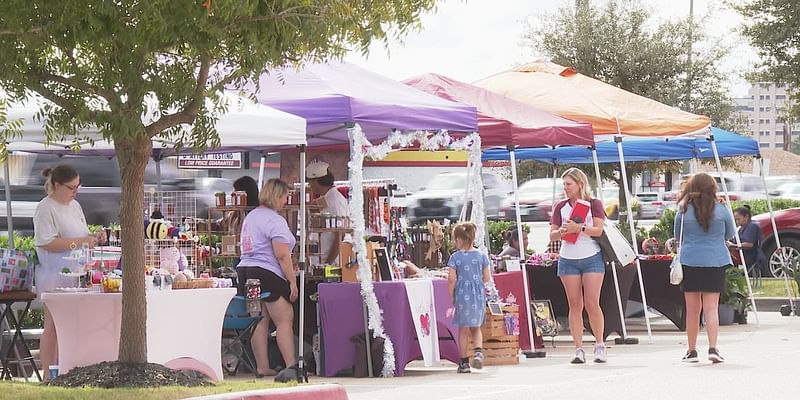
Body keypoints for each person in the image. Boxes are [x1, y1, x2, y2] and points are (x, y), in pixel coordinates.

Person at [33, 164, 106, 375]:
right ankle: (49, 374)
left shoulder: (75, 206)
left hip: (78, 272)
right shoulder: (45, 209)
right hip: (55, 274)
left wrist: (93, 237)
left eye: (78, 187)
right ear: (56, 185)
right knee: (54, 327)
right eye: (71, 187)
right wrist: (82, 240)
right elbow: (46, 243)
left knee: (74, 326)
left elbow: (78, 234)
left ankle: (70, 370)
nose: (76, 192)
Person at [236, 178, 299, 382]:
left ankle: (262, 366)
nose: (285, 201)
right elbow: (281, 254)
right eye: (284, 197)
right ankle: (291, 366)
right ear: (277, 196)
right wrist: (292, 281)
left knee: (259, 319)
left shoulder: (251, 217)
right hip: (268, 273)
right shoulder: (274, 220)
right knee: (283, 319)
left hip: (246, 271)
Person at [674, 172, 735, 364]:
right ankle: (713, 349)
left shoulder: (683, 210)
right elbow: (731, 234)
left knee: (692, 309)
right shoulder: (722, 209)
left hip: (690, 260)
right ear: (712, 188)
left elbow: (678, 235)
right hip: (715, 260)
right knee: (711, 308)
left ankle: (691, 351)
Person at [548, 167, 607, 364]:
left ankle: (599, 345)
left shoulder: (594, 204)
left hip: (591, 256)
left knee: (592, 302)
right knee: (574, 304)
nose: (565, 188)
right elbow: (553, 234)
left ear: (580, 184)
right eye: (564, 184)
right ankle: (578, 348)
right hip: (568, 258)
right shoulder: (560, 207)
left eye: (569, 184)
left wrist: (579, 228)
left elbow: (598, 230)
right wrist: (564, 231)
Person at [447, 222, 491, 373]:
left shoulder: (455, 257)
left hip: (462, 295)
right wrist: (476, 283)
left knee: (463, 329)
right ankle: (478, 353)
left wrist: (451, 294)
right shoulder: (481, 256)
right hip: (478, 295)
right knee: (476, 327)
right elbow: (487, 277)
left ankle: (464, 363)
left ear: (460, 239)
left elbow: (451, 279)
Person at [306, 161, 349, 264]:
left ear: (316, 181)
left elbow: (340, 234)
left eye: (310, 182)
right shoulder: (327, 197)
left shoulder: (334, 200)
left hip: (329, 263)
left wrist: (327, 264)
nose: (310, 186)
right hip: (320, 261)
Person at [728, 205, 766, 277]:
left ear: (746, 217)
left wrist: (733, 245)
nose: (737, 221)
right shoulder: (741, 228)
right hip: (739, 253)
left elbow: (749, 244)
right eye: (736, 220)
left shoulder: (752, 226)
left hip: (749, 255)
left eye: (739, 219)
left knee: (726, 256)